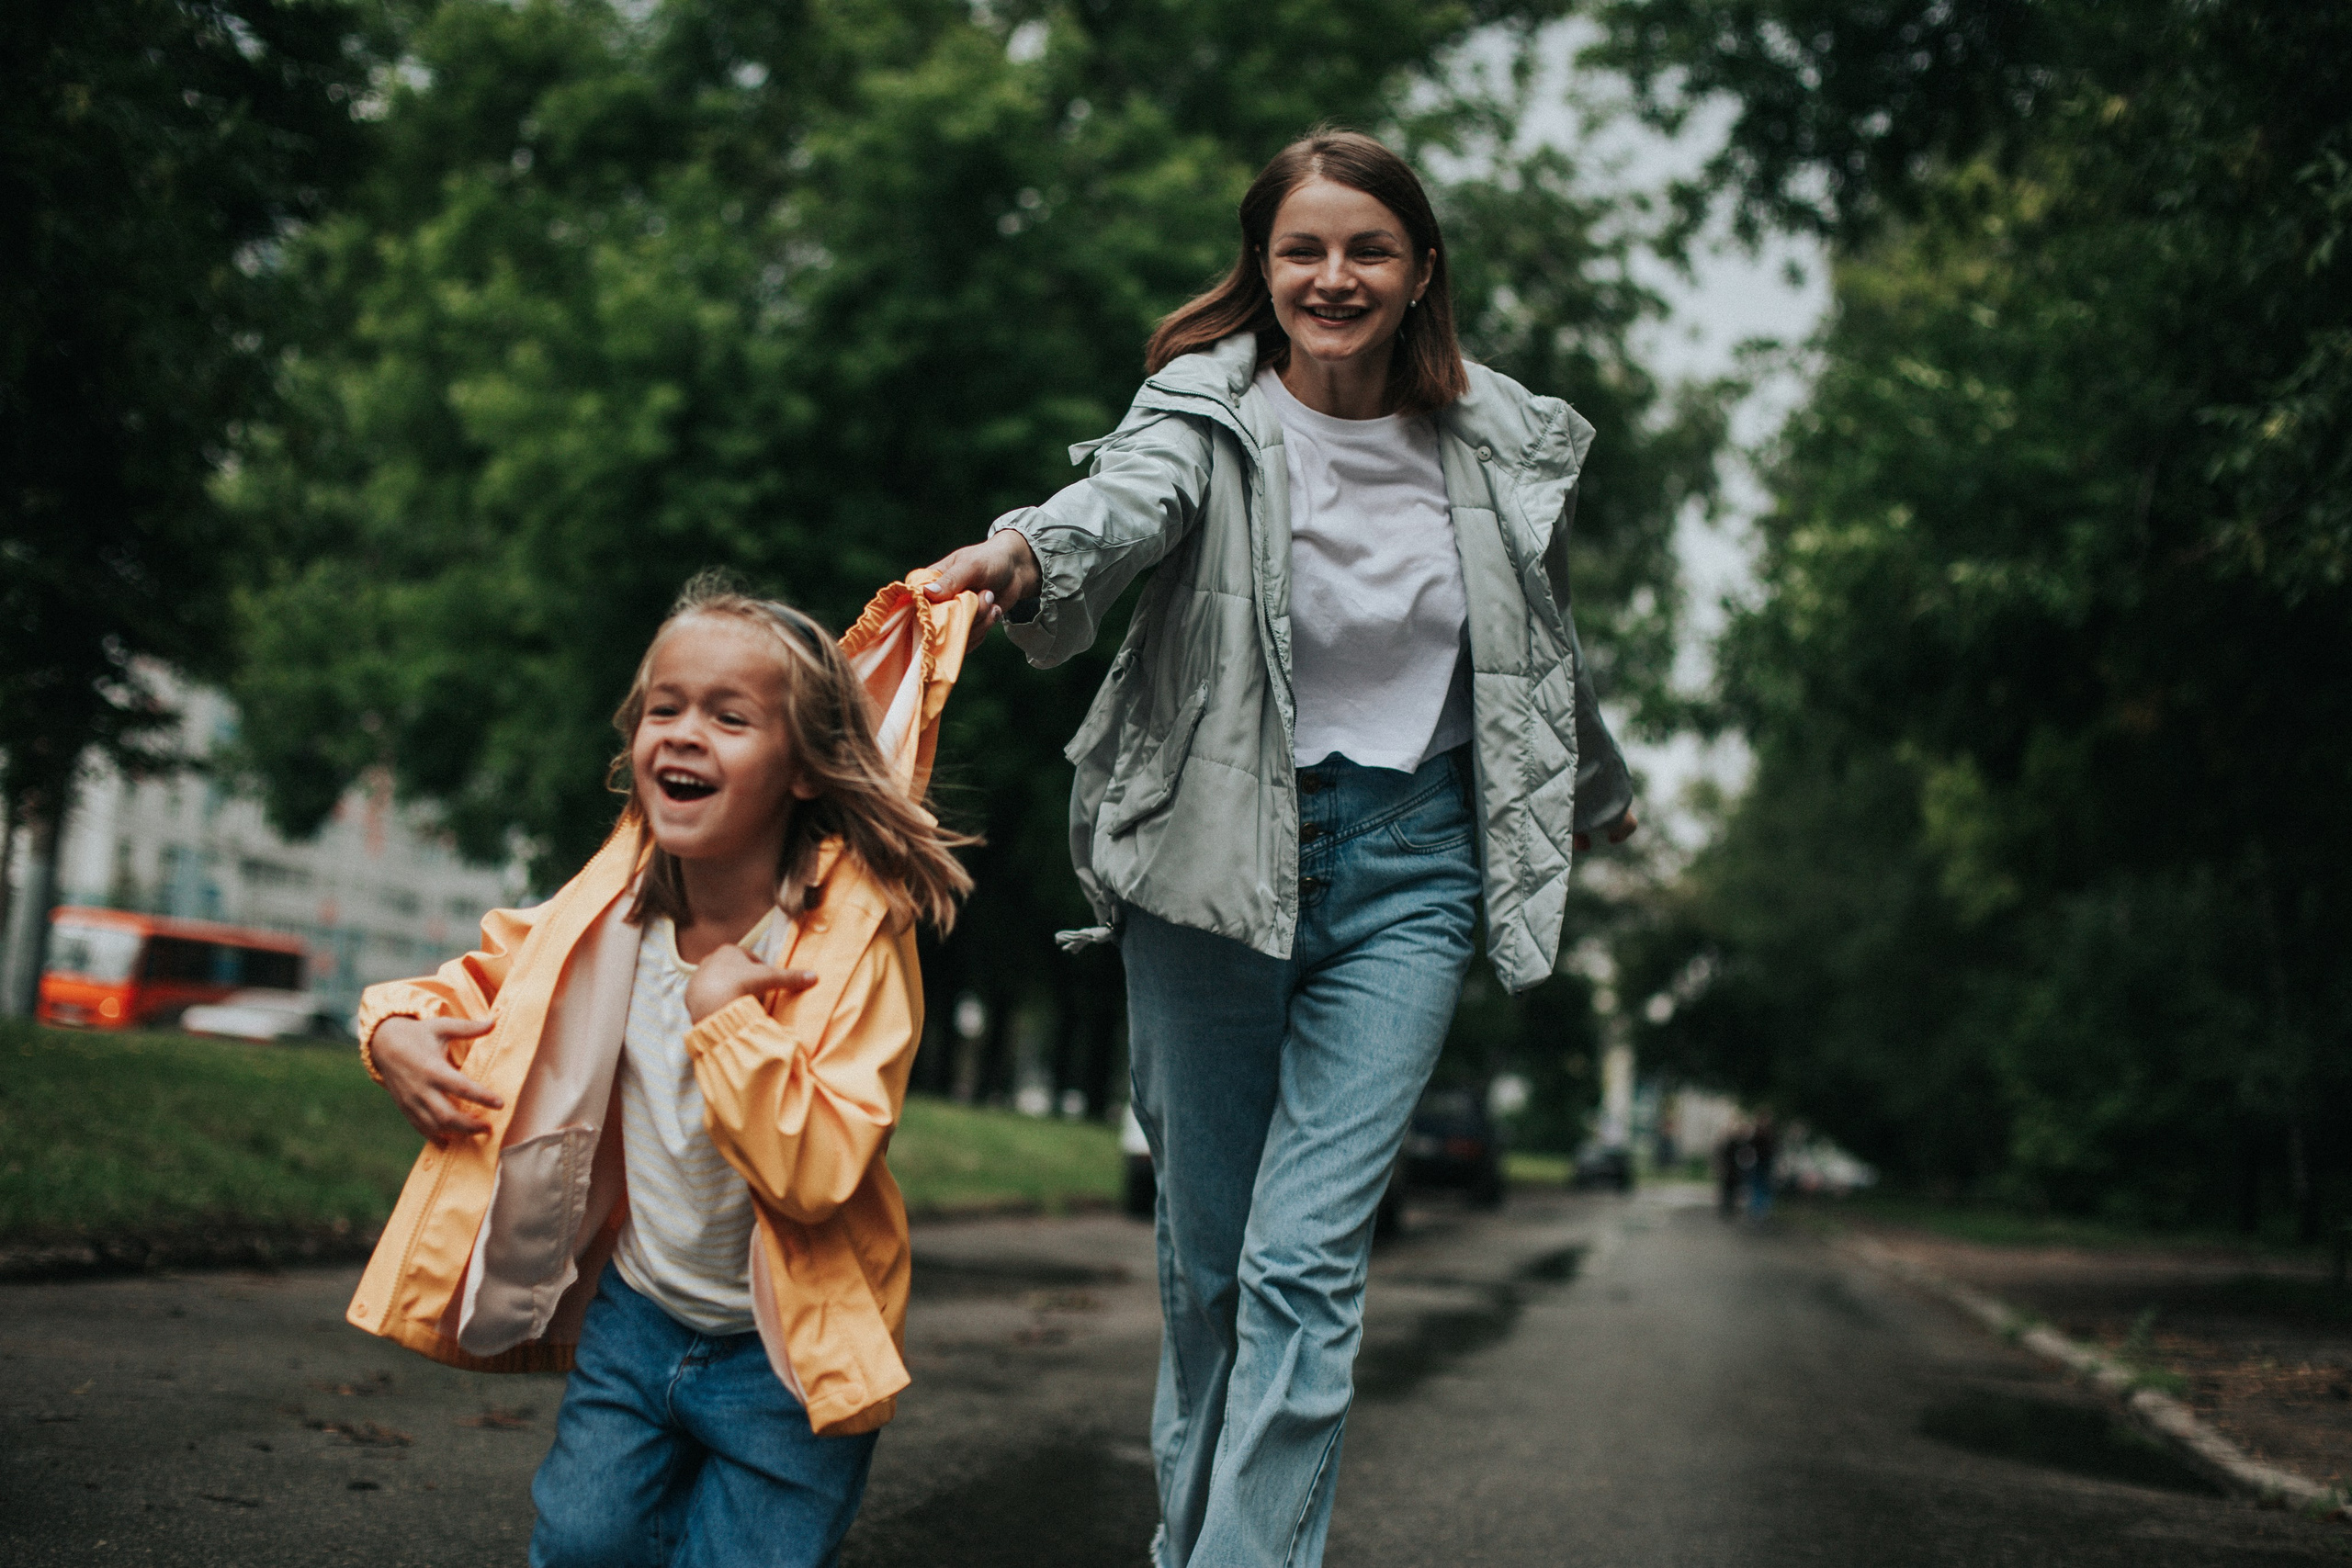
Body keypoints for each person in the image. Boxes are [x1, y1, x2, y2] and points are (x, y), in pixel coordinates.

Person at [923, 127, 1638, 1568]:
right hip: (1214, 851)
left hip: (1414, 865)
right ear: (1262, 265)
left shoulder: (1499, 437)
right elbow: (1120, 506)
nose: (1334, 277)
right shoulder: (1206, 412)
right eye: (1302, 249)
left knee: (1304, 1261)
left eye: (1369, 248)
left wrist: (1594, 781)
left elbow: (1536, 643)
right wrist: (1023, 555)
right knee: (1209, 1274)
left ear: (1421, 268)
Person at [348, 571, 978, 1568]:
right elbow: (487, 978)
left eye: (729, 718)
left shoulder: (850, 941)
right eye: (664, 709)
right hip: (637, 1321)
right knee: (583, 1545)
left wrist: (727, 1024)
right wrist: (392, 1029)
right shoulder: (613, 908)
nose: (684, 735)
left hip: (787, 1357)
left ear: (802, 769)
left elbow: (819, 1171)